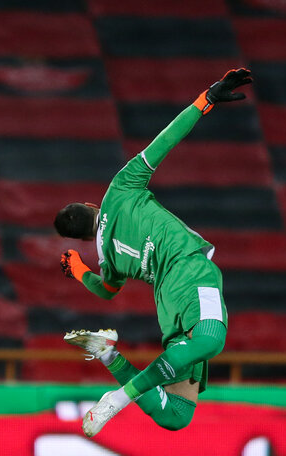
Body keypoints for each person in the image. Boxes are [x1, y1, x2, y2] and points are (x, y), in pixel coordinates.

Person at [55, 68, 253, 437]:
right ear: (89, 203)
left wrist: (81, 268)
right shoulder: (120, 187)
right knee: (211, 340)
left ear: (84, 238)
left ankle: (108, 353)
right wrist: (205, 100)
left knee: (175, 415)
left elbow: (106, 291)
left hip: (168, 301)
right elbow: (165, 140)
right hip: (190, 270)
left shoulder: (106, 258)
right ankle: (117, 399)